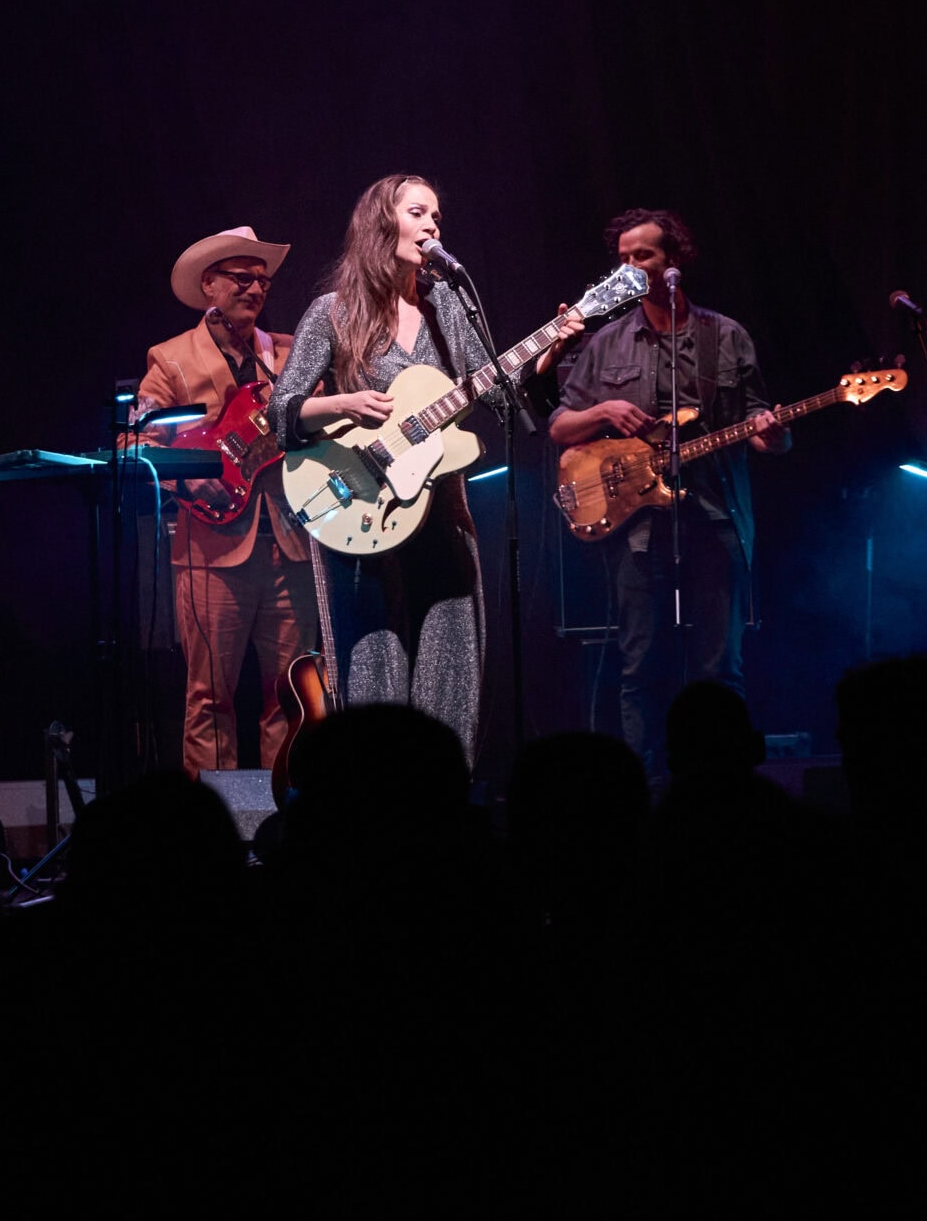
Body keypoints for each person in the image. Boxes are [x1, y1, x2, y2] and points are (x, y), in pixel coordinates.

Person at [268, 173, 580, 769]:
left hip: (442, 510)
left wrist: (551, 354)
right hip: (364, 511)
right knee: (375, 663)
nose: (433, 224)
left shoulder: (448, 310)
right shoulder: (332, 312)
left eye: (437, 215)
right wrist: (340, 404)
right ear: (381, 224)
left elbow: (503, 399)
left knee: (452, 658)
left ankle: (441, 795)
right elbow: (281, 413)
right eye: (418, 212)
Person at [549, 208, 788, 782]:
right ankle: (644, 787)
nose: (630, 267)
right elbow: (559, 426)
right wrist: (604, 410)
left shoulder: (725, 336)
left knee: (719, 666)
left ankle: (722, 783)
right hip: (638, 525)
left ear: (674, 260)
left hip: (715, 515)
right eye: (623, 258)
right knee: (640, 664)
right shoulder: (608, 343)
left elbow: (760, 424)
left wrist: (771, 433)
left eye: (643, 256)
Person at [136, 226, 317, 778]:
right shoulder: (171, 359)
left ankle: (287, 812)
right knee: (209, 697)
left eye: (262, 281)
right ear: (208, 286)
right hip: (211, 551)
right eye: (242, 278)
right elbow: (135, 443)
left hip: (291, 543)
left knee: (292, 696)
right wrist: (189, 480)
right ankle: (214, 820)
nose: (255, 289)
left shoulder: (290, 353)